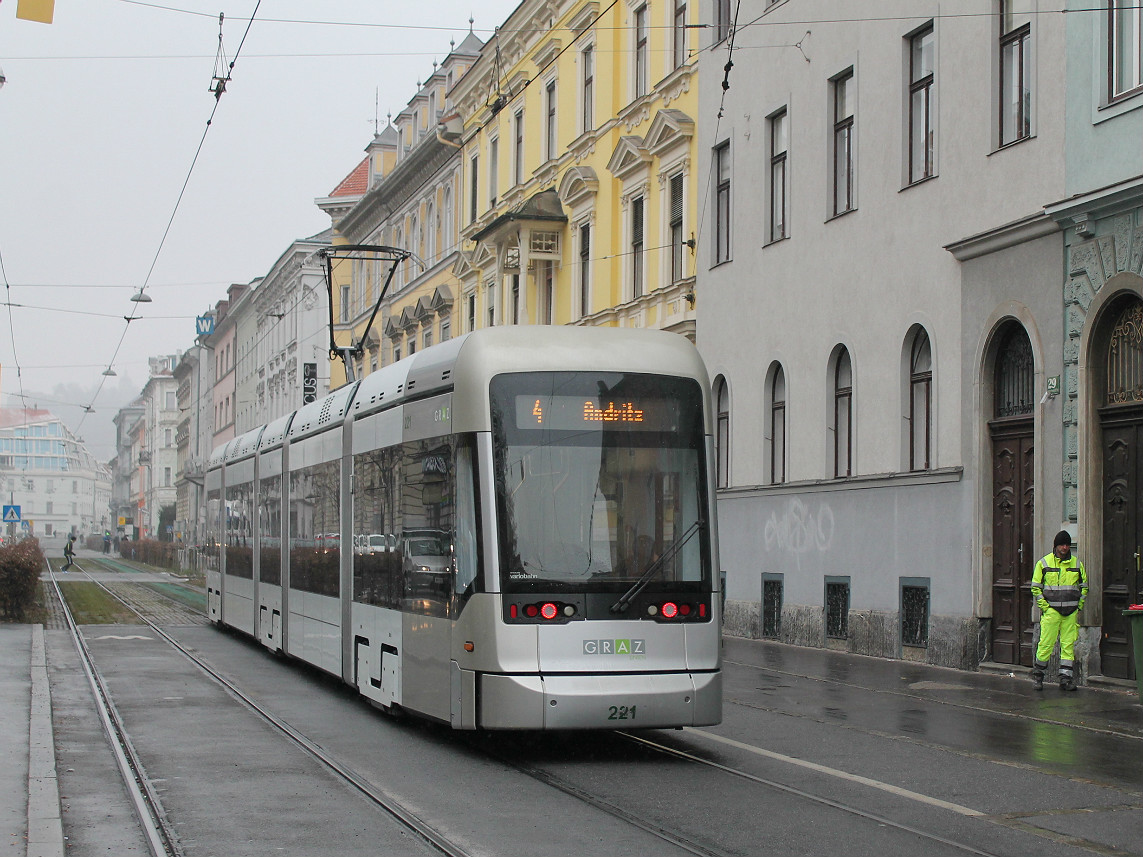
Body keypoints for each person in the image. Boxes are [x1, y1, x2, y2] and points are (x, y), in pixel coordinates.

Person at [1031, 530, 1088, 692]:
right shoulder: (1044, 563)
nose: (1065, 547)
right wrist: (1045, 607)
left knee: (1068, 646)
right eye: (1062, 544)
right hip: (1052, 612)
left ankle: (1066, 679)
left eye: (1067, 544)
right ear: (1056, 545)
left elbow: (1084, 587)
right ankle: (1038, 677)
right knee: (1045, 644)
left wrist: (1079, 606)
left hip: (1070, 613)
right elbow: (1035, 587)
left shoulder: (1076, 564)